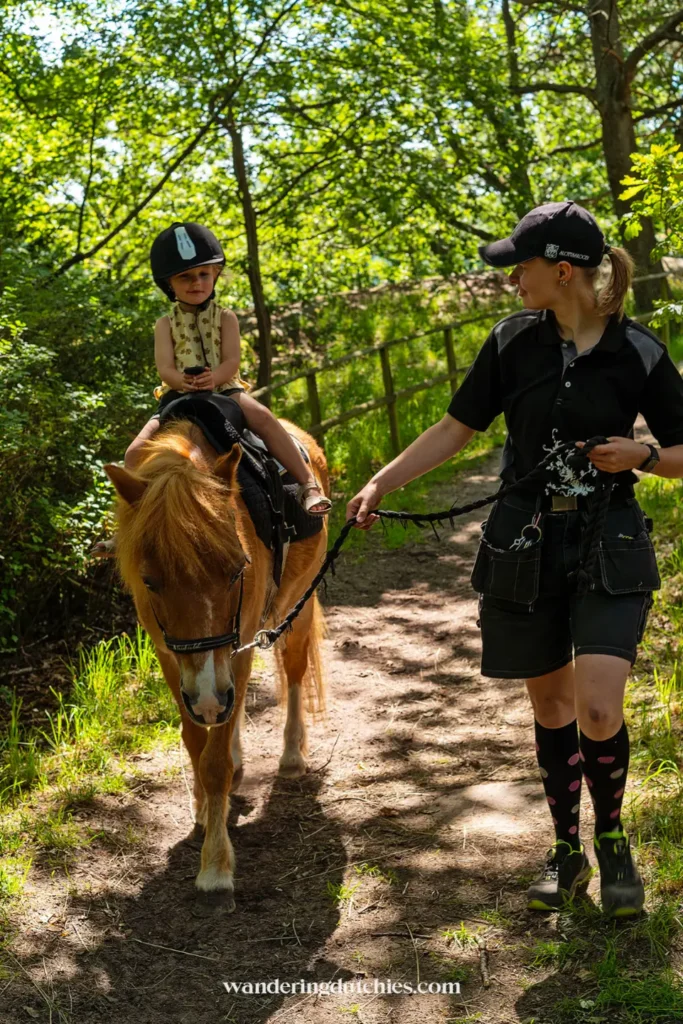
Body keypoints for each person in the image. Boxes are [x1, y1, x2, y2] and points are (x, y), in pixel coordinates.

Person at [347, 201, 683, 918]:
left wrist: (645, 456)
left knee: (597, 706)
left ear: (561, 272)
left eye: (519, 268)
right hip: (522, 549)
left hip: (607, 545)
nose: (510, 282)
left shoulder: (640, 352)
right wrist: (381, 481)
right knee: (553, 706)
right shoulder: (509, 343)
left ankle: (613, 840)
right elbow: (453, 428)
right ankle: (566, 850)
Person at [93, 222, 330, 555]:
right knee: (134, 453)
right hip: (179, 396)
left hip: (224, 390)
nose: (197, 283)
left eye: (204, 274)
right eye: (186, 277)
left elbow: (232, 359)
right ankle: (130, 526)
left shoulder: (226, 318)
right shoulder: (165, 324)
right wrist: (183, 382)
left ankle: (307, 484)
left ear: (215, 276)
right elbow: (165, 367)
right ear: (169, 284)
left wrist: (214, 378)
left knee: (261, 417)